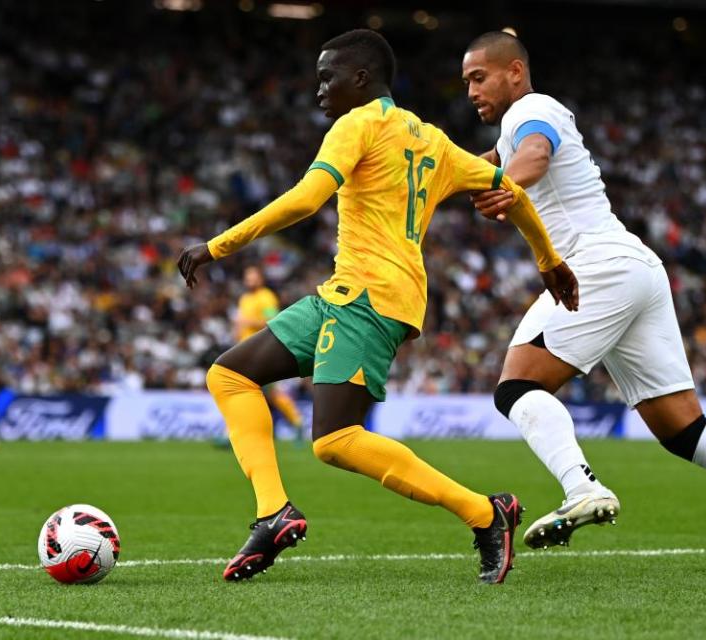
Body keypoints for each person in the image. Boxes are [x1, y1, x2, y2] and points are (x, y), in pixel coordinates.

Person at [178, 28, 579, 584]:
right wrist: (548, 261)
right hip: (345, 293)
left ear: (361, 80)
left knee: (336, 442)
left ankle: (487, 513)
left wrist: (218, 245)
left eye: (327, 78)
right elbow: (507, 190)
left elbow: (306, 198)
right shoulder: (434, 142)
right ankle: (273, 512)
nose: (319, 91)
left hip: (370, 298)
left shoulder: (358, 123)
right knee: (229, 375)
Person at [461, 31, 706, 572]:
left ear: (515, 72)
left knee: (517, 387)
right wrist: (421, 176)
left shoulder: (531, 108)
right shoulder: (511, 131)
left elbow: (534, 154)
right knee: (685, 430)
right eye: (466, 83)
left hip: (598, 265)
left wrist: (507, 183)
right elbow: (470, 167)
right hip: (636, 269)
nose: (471, 91)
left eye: (479, 77)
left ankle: (581, 487)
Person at [234, 265, 306, 441]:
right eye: (247, 277)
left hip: (260, 351)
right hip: (245, 350)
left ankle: (296, 423)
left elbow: (273, 320)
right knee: (261, 393)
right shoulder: (244, 298)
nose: (250, 281)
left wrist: (248, 322)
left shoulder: (266, 297)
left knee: (263, 392)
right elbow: (239, 325)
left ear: (261, 279)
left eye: (253, 277)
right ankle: (290, 424)